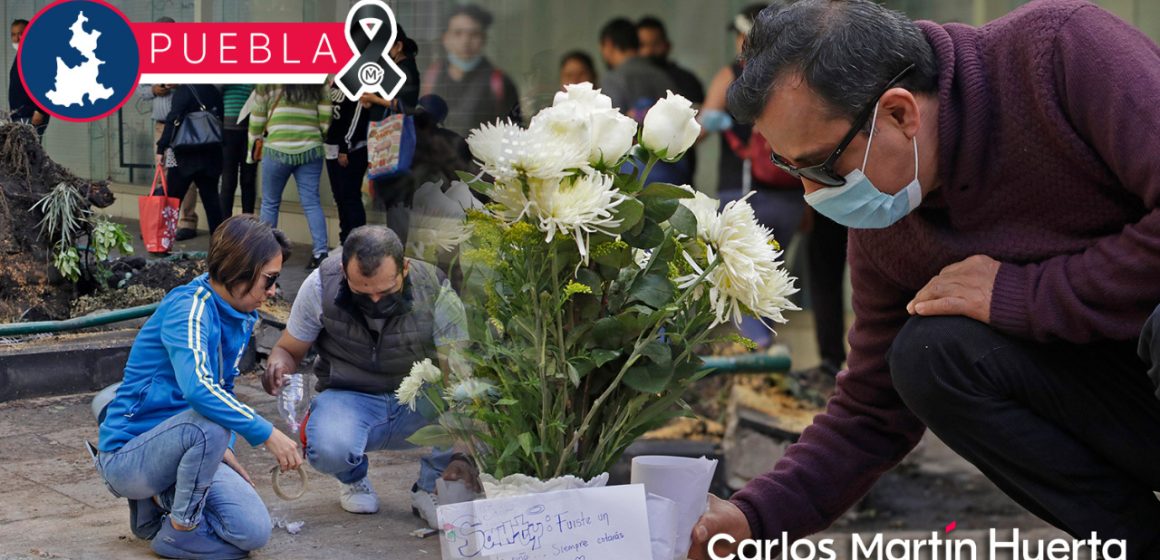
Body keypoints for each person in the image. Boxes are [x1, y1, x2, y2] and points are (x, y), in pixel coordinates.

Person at [690, 0, 1160, 557]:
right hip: (1130, 398)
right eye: (795, 172)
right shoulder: (889, 215)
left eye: (822, 165)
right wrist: (754, 517)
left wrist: (1024, 295)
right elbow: (871, 407)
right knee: (928, 354)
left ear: (899, 114)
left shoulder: (1061, 53)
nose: (814, 195)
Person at [94, 215, 301, 559]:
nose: (273, 291)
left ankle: (155, 510)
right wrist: (268, 433)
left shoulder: (239, 314)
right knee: (210, 423)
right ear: (239, 270)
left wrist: (226, 448)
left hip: (187, 444)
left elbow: (224, 389)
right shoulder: (190, 307)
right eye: (269, 280)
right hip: (129, 456)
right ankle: (181, 529)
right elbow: (201, 391)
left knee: (252, 531)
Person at [262, 225, 479, 529]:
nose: (376, 301)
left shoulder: (435, 288)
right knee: (327, 446)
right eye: (363, 292)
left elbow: (459, 378)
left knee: (474, 407)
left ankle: (430, 486)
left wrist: (460, 456)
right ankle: (353, 478)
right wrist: (278, 366)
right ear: (343, 271)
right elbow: (288, 349)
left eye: (386, 291)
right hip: (350, 396)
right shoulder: (320, 285)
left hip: (419, 399)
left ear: (405, 269)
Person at [699, 3, 806, 354]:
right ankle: (760, 344)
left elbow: (701, 125)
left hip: (743, 189)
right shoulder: (796, 75)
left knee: (740, 272)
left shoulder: (734, 73)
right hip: (791, 190)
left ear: (746, 36)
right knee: (771, 273)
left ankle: (747, 351)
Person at [249, 84, 332, 269]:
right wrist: (318, 133)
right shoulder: (318, 75)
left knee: (270, 203)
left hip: (276, 148)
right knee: (311, 202)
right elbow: (326, 114)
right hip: (310, 148)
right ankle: (321, 253)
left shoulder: (269, 77)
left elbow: (257, 116)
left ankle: (266, 254)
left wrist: (252, 146)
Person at [136, 17, 199, 241]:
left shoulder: (186, 56)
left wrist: (178, 83)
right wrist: (155, 88)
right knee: (165, 172)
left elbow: (197, 86)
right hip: (162, 128)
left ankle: (187, 221)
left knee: (185, 172)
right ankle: (163, 220)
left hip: (183, 127)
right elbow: (141, 92)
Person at [421, 4, 521, 136]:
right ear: (445, 38)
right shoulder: (431, 77)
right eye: (458, 33)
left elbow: (514, 132)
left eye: (474, 34)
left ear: (483, 39)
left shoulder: (500, 82)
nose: (465, 41)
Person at [156, 84, 226, 238]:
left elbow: (173, 119)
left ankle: (162, 242)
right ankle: (220, 246)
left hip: (182, 155)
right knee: (212, 202)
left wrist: (161, 148)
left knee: (172, 201)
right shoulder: (213, 91)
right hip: (211, 155)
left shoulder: (184, 91)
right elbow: (220, 117)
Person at [219, 84, 257, 218]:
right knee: (228, 180)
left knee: (248, 179)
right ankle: (225, 225)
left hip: (250, 131)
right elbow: (215, 88)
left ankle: (248, 224)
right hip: (227, 130)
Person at [9, 19, 49, 141]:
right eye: (13, 34)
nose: (17, 38)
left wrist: (40, 110)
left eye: (21, 33)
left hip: (31, 114)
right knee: (22, 153)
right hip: (20, 115)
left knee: (29, 153)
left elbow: (46, 83)